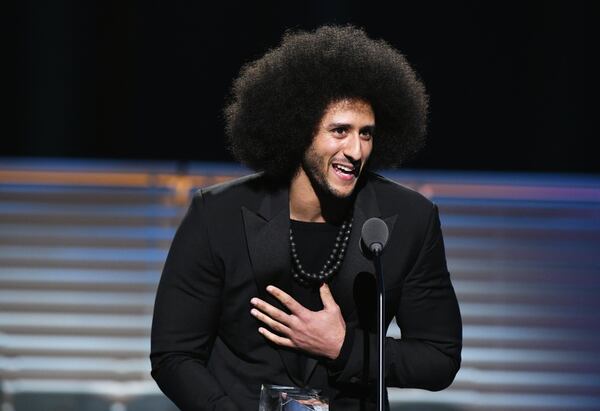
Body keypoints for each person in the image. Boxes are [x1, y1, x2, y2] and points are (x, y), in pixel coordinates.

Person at [150, 25, 462, 410]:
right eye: (340, 131)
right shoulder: (217, 215)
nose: (355, 150)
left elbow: (439, 358)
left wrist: (343, 348)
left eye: (366, 134)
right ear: (298, 129)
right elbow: (173, 356)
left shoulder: (410, 219)